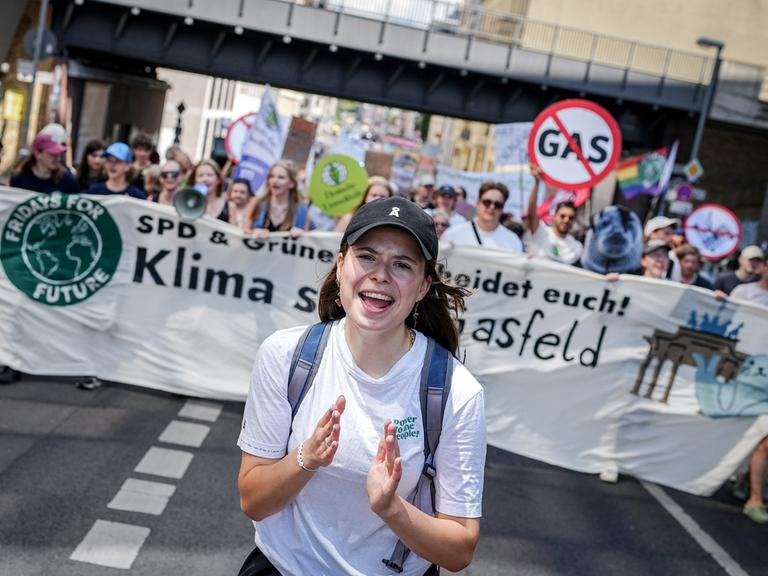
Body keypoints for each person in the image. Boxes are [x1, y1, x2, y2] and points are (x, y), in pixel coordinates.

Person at [237, 196, 485, 575]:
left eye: (402, 264)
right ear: (340, 265)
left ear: (422, 286)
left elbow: (458, 551)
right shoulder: (285, 355)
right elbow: (253, 500)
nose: (380, 275)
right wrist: (306, 459)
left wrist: (391, 508)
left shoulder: (457, 392)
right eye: (366, 256)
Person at [441, 181, 523, 252]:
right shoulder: (453, 234)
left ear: (502, 208)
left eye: (497, 205)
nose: (492, 207)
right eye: (487, 202)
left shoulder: (513, 241)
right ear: (478, 203)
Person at [524, 167, 582, 265]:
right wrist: (537, 183)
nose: (566, 220)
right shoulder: (541, 231)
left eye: (571, 218)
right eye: (562, 216)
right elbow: (531, 212)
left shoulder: (576, 247)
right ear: (554, 216)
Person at [244, 161, 313, 238]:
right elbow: (244, 232)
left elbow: (308, 240)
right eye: (271, 176)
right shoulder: (257, 204)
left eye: (281, 177)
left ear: (291, 184)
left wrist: (301, 234)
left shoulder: (302, 210)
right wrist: (254, 232)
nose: (275, 181)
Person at [10, 132, 79, 194]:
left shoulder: (68, 182)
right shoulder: (19, 180)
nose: (57, 158)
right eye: (52, 153)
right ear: (37, 154)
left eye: (58, 154)